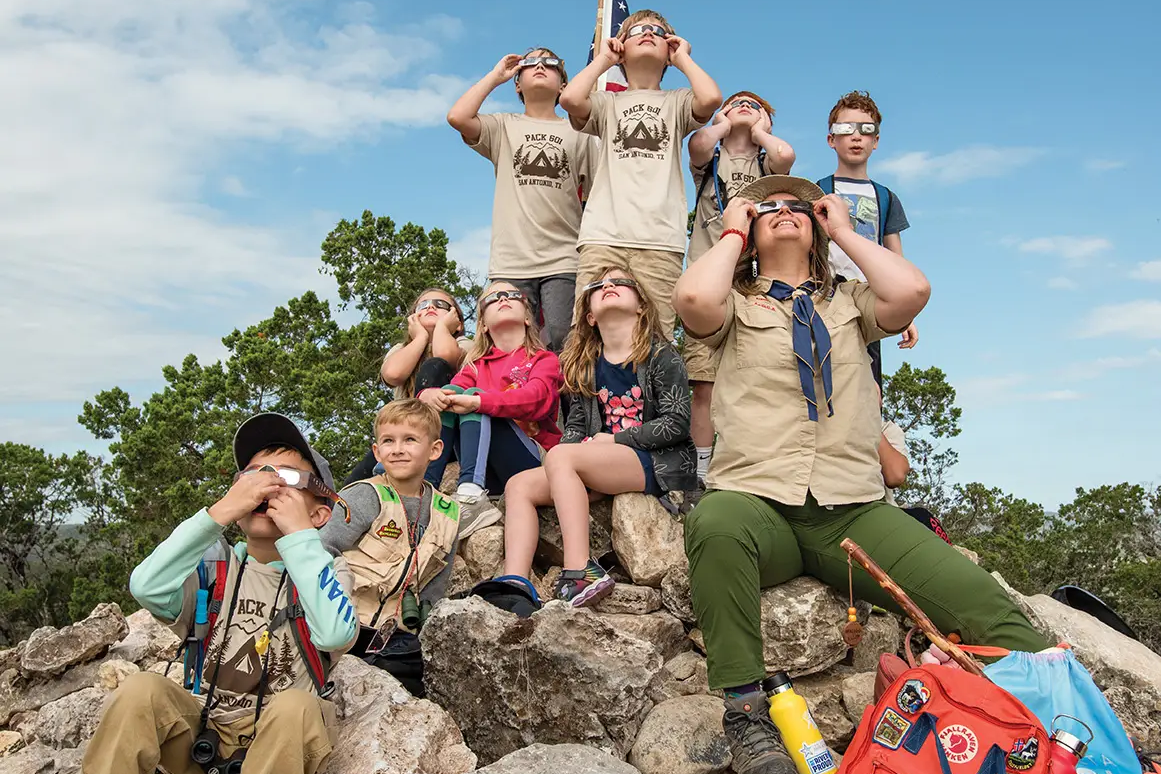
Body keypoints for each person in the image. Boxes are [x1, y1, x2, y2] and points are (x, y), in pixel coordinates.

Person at [672, 175, 1050, 774]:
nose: (783, 211)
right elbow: (692, 302)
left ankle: (1065, 722)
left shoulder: (849, 301)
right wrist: (732, 230)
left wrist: (844, 230)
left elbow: (913, 290)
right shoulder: (734, 305)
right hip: (758, 505)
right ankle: (746, 710)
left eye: (797, 205)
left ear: (818, 223)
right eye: (767, 207)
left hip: (851, 510)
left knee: (985, 605)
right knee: (716, 521)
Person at [83, 413, 356, 774]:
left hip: (280, 741)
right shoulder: (213, 568)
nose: (267, 486)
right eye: (254, 475)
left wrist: (300, 538)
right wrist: (220, 512)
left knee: (296, 707)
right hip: (202, 732)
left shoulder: (327, 570)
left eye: (286, 478)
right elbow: (146, 586)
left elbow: (337, 633)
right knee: (141, 691)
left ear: (320, 513)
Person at [502, 267, 696, 606]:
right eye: (599, 285)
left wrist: (616, 441)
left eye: (620, 282)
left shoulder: (663, 357)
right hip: (600, 464)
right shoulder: (586, 365)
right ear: (590, 316)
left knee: (561, 457)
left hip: (655, 461)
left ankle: (580, 570)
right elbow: (576, 426)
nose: (609, 285)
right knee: (519, 484)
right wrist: (568, 462)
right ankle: (515, 582)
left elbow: (676, 423)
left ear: (640, 306)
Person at [560, 8, 721, 339]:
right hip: (603, 235)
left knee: (655, 337)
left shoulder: (677, 102)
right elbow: (571, 98)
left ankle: (649, 394)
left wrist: (684, 60)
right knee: (585, 337)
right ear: (621, 48)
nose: (648, 33)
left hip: (660, 239)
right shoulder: (606, 104)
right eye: (637, 31)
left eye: (658, 32)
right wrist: (603, 60)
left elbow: (711, 98)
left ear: (669, 51)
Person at [447, 48, 595, 354]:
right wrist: (495, 76)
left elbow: (595, 192)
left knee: (561, 339)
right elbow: (458, 117)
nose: (540, 66)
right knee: (508, 343)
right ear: (517, 83)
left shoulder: (579, 133)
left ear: (563, 85)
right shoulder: (503, 126)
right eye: (530, 63)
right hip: (511, 260)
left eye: (550, 63)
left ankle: (564, 404)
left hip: (563, 258)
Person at [686, 90, 795, 485]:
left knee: (753, 373)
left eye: (757, 104)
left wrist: (762, 132)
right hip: (705, 275)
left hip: (751, 280)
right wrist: (724, 123)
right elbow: (696, 145)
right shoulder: (712, 155)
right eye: (736, 102)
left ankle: (750, 459)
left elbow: (786, 157)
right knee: (703, 379)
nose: (745, 105)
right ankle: (701, 467)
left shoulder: (767, 164)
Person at [320, 400, 459, 697]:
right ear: (376, 451)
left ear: (434, 450)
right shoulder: (365, 496)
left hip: (397, 634)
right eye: (388, 441)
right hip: (346, 623)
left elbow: (436, 587)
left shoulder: (449, 513)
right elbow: (323, 550)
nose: (397, 449)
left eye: (410, 440)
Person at [419, 281, 563, 538]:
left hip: (532, 463)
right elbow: (451, 392)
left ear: (528, 318)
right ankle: (422, 492)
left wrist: (480, 402)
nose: (503, 298)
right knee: (451, 396)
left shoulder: (543, 359)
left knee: (476, 397)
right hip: (488, 468)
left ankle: (471, 497)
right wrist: (428, 394)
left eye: (512, 295)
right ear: (483, 324)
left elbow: (537, 399)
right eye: (493, 298)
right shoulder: (475, 366)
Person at [818, 90, 917, 385]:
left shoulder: (886, 197)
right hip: (827, 298)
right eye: (845, 129)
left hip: (871, 297)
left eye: (866, 129)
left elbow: (895, 258)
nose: (856, 136)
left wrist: (907, 312)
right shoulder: (817, 190)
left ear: (876, 142)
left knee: (868, 382)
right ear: (831, 140)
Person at [344, 287, 472, 486]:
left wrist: (441, 330)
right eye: (423, 305)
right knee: (353, 484)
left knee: (434, 366)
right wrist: (420, 338)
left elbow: (444, 356)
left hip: (446, 436)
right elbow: (393, 374)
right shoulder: (402, 350)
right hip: (401, 437)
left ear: (456, 321)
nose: (430, 307)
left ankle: (427, 482)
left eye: (440, 305)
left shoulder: (465, 345)